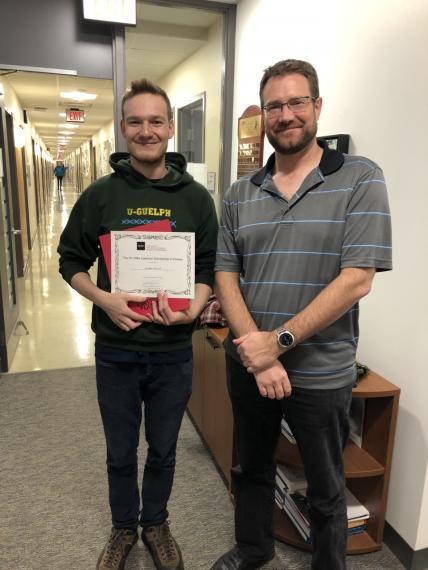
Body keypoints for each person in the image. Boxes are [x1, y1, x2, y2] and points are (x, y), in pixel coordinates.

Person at [212, 59, 392, 570]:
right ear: (263, 115)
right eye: (274, 105)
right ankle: (253, 550)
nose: (285, 114)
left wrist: (280, 343)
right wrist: (259, 354)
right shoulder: (240, 192)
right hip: (250, 365)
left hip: (320, 372)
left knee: (325, 486)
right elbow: (226, 276)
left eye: (296, 103)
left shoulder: (360, 178)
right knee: (250, 468)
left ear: (317, 106)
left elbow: (358, 277)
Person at [58, 79, 218, 570]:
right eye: (135, 121)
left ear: (170, 129)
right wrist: (104, 298)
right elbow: (70, 261)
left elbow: (208, 269)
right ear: (123, 130)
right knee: (121, 450)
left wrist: (194, 309)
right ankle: (124, 527)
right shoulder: (101, 195)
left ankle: (157, 524)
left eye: (155, 121)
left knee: (165, 449)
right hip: (117, 349)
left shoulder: (196, 199)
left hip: (171, 352)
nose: (146, 131)